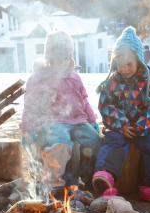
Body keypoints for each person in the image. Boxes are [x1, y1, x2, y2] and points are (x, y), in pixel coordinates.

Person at [20, 30, 102, 197]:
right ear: (49, 59)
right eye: (57, 59)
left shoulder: (75, 77)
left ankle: (88, 178)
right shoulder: (39, 78)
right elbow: (30, 104)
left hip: (78, 119)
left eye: (66, 59)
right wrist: (27, 128)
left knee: (94, 140)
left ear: (71, 59)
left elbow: (84, 99)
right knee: (61, 143)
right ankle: (53, 182)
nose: (62, 63)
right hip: (52, 120)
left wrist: (92, 119)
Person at [93, 26, 150, 201]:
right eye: (119, 65)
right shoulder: (111, 83)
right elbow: (106, 105)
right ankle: (106, 174)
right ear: (114, 64)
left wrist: (141, 127)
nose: (124, 69)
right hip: (119, 127)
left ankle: (149, 184)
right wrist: (122, 124)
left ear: (139, 62)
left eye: (129, 64)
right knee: (113, 142)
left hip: (144, 128)